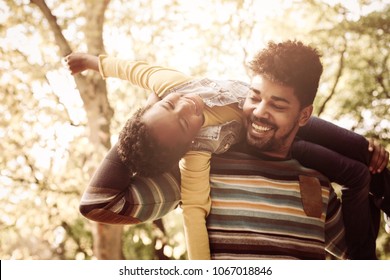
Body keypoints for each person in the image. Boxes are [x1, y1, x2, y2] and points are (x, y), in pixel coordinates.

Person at [67, 40, 389, 259]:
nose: (260, 111)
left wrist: (369, 178)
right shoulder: (200, 166)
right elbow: (99, 202)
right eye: (256, 97)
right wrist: (144, 119)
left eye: (277, 104)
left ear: (304, 113)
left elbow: (358, 254)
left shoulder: (317, 179)